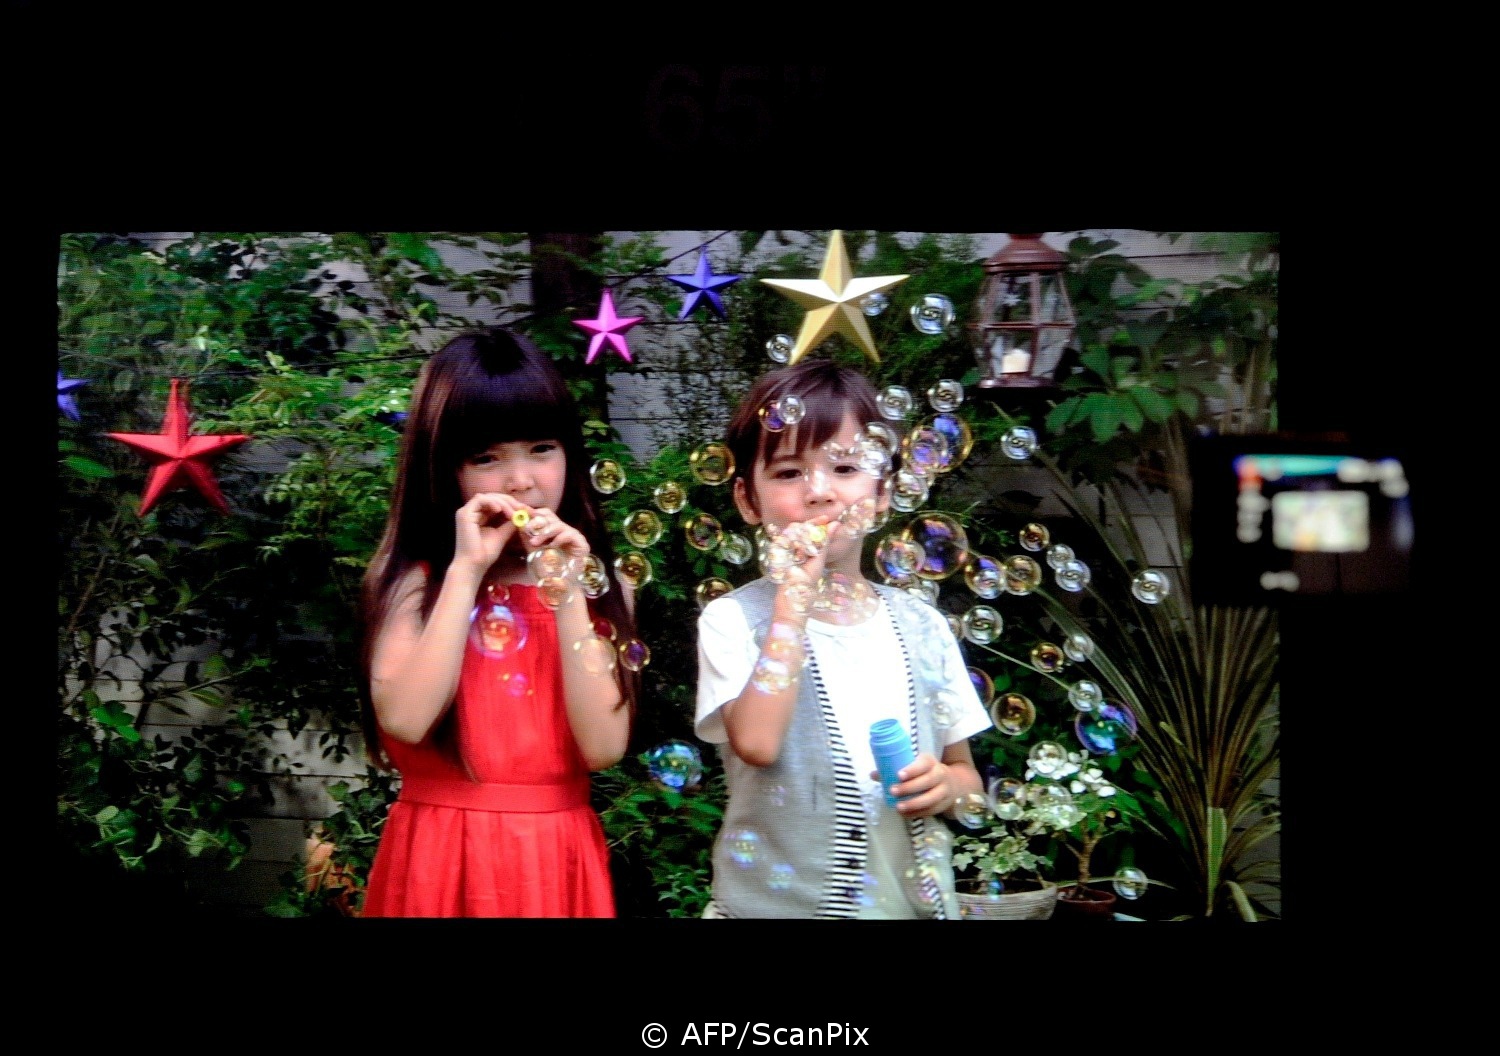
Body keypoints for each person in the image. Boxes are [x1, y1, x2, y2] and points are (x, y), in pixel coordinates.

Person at [695, 358, 991, 918]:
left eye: (846, 467)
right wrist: (792, 603)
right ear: (746, 500)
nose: (819, 492)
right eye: (789, 473)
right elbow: (757, 744)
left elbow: (966, 777)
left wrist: (948, 788)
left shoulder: (924, 627)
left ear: (883, 493)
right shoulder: (733, 621)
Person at [356, 327, 636, 917]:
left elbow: (603, 747)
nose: (521, 481)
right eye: (486, 458)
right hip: (439, 860)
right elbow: (405, 719)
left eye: (542, 448)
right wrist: (466, 572)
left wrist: (565, 590)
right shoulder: (414, 581)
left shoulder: (602, 586)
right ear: (443, 469)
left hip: (553, 861)